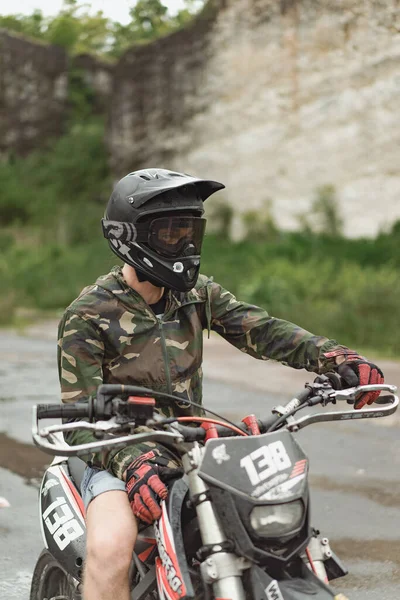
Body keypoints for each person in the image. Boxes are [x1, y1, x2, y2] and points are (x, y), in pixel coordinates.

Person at [58, 168, 384, 600]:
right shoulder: (87, 314)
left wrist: (335, 357)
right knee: (111, 547)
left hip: (192, 444)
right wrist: (131, 461)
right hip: (119, 457)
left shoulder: (197, 294)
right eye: (168, 233)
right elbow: (79, 420)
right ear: (130, 235)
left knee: (268, 529)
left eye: (188, 232)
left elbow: (264, 330)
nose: (182, 245)